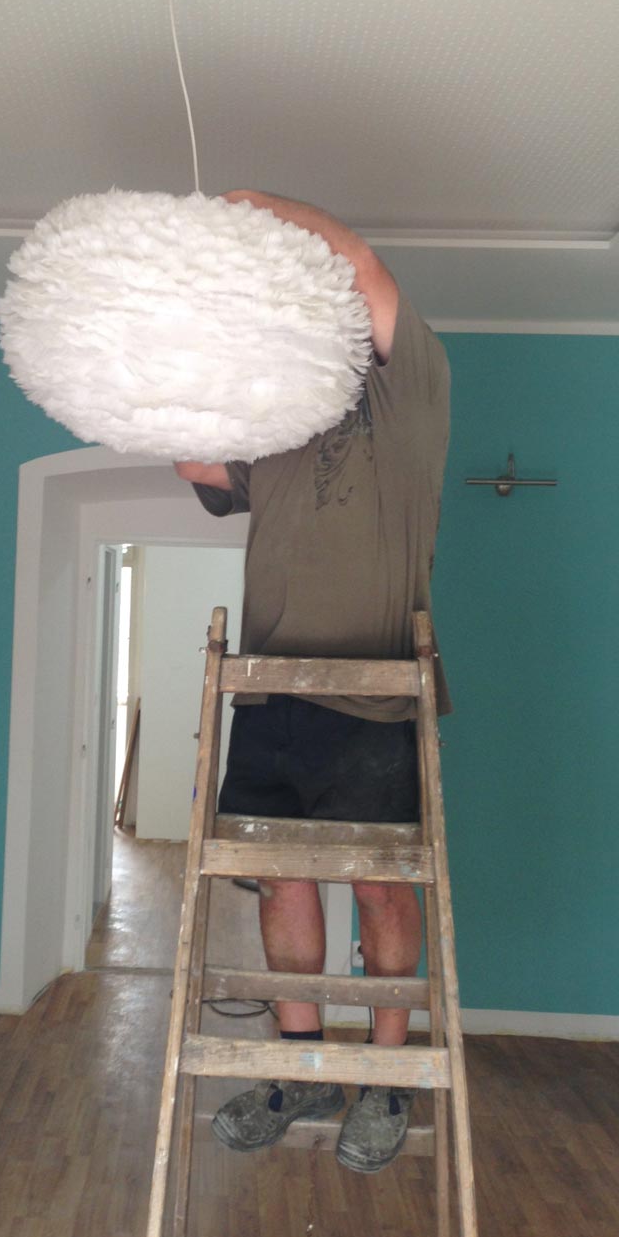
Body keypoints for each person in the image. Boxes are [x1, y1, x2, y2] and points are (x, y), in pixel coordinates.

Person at [174, 188, 451, 1175]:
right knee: (282, 882)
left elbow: (364, 267)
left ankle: (383, 1079)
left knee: (380, 890)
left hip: (373, 700)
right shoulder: (278, 425)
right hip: (268, 697)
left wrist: (255, 206)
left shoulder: (409, 394)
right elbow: (200, 466)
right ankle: (302, 1069)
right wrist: (177, 368)